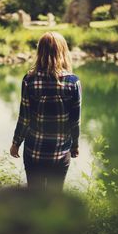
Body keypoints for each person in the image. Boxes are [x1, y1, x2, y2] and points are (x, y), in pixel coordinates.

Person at [10, 32, 82, 191]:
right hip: (60, 152)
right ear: (63, 51)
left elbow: (24, 117)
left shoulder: (29, 80)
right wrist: (75, 145)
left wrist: (16, 143)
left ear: (40, 51)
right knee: (54, 197)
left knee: (35, 196)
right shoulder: (73, 82)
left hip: (34, 151)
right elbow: (74, 121)